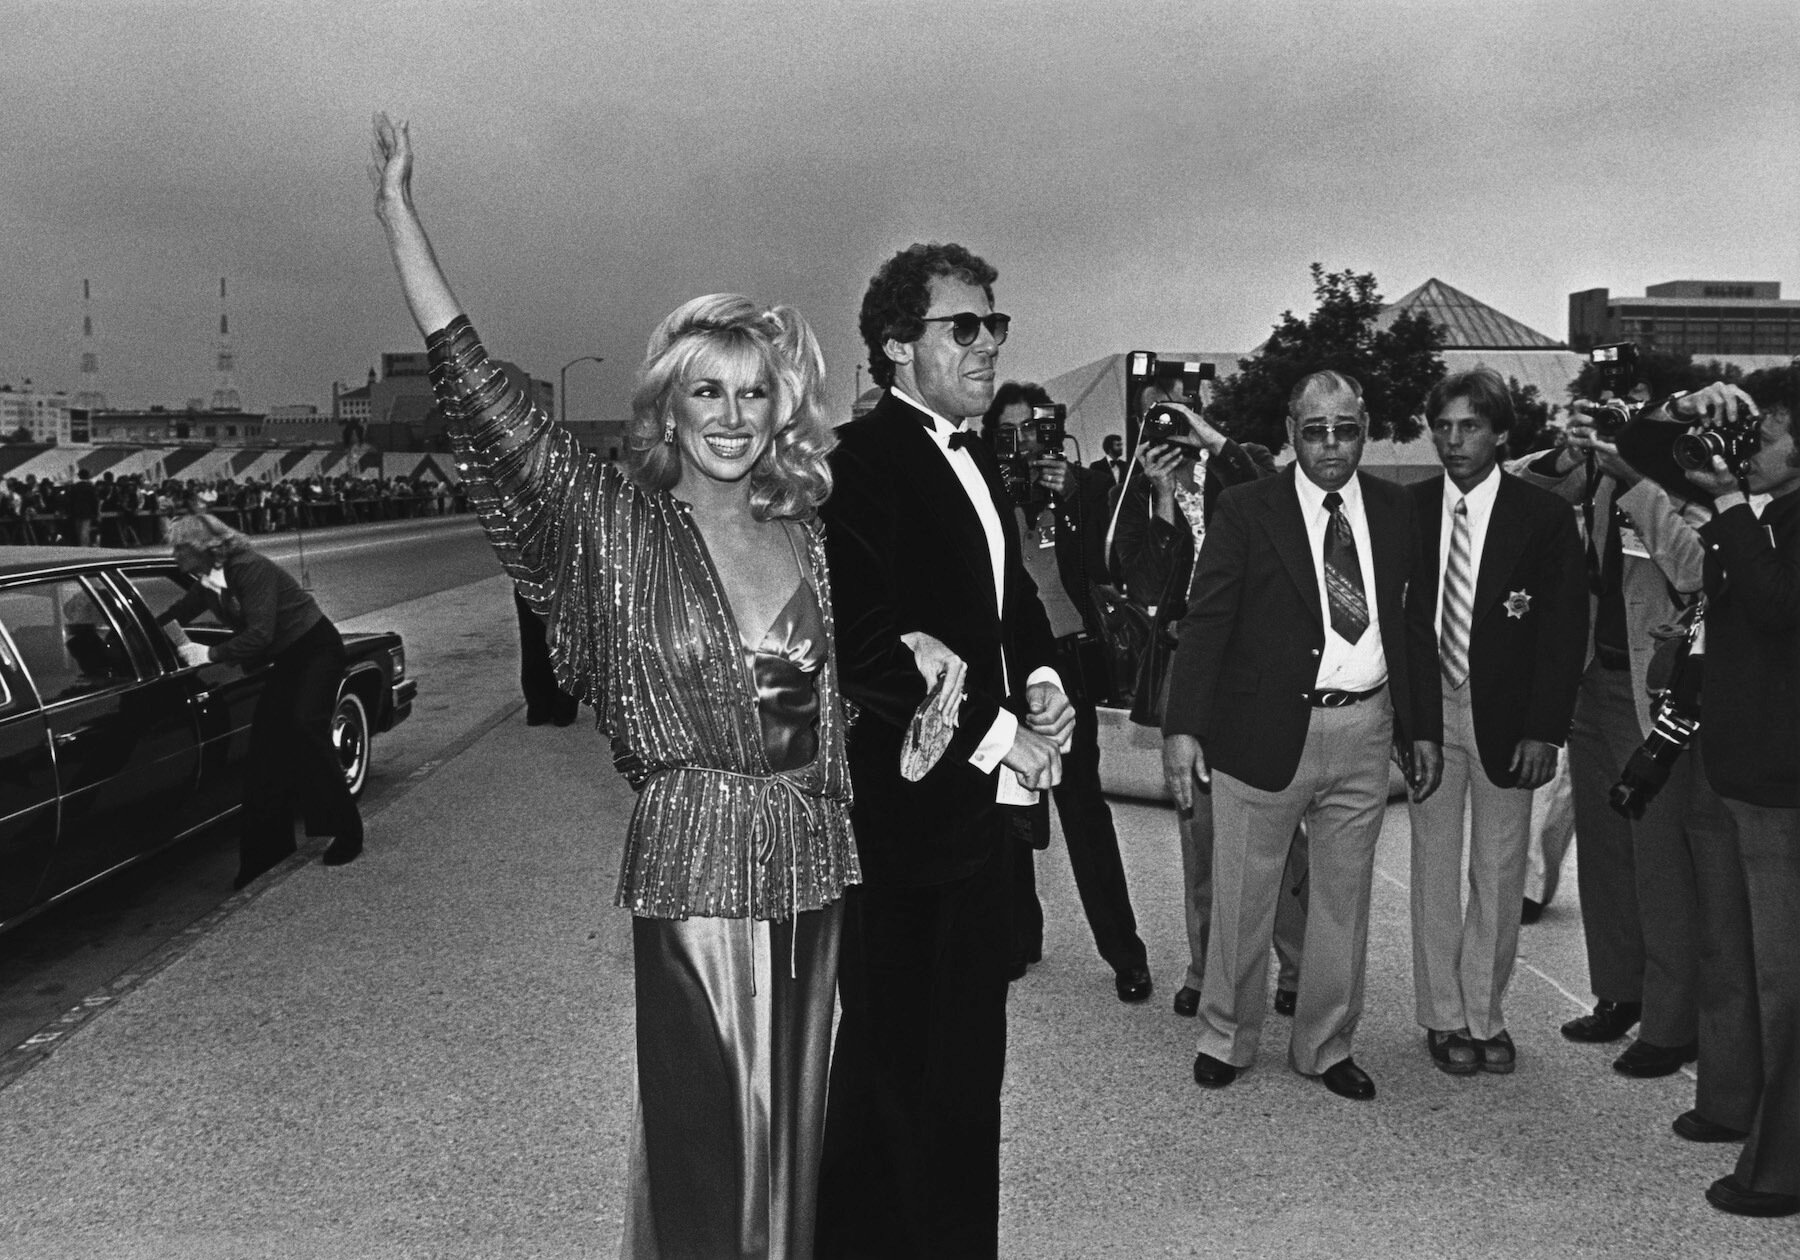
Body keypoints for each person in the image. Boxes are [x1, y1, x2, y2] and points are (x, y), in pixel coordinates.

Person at [370, 115, 958, 1260]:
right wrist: (402, 218)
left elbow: (822, 706)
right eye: (708, 395)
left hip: (815, 864)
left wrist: (920, 665)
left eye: (752, 396)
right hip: (696, 862)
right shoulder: (615, 528)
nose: (733, 419)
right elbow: (490, 408)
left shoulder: (813, 542)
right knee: (712, 1128)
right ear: (669, 409)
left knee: (800, 1121)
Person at [816, 243, 1073, 1259]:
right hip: (901, 832)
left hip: (979, 833)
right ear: (895, 345)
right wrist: (1007, 741)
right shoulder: (859, 465)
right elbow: (869, 653)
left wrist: (1045, 688)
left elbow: (1008, 610)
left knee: (967, 1081)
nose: (986, 343)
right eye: (961, 326)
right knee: (892, 1083)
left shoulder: (976, 456)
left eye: (992, 324)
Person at [1163, 370, 1442, 1102]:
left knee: (1342, 904)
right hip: (1262, 731)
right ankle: (1227, 1034)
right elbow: (1208, 621)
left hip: (1365, 727)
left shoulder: (1394, 509)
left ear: (1365, 428)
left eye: (1344, 429)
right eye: (1314, 429)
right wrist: (1184, 725)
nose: (1329, 445)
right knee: (1244, 899)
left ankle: (1325, 1044)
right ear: (1292, 431)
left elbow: (1412, 625)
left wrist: (1423, 730)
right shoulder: (1246, 508)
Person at [1510, 406, 1716, 1077]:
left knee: (1657, 862)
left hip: (1649, 696)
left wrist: (1637, 484)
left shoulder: (1687, 480)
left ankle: (1669, 1020)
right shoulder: (1601, 473)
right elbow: (1525, 491)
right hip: (1593, 682)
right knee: (1602, 854)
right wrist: (1571, 455)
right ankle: (1619, 990)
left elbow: (1694, 573)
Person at [1405, 368, 1587, 1076]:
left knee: (1501, 870)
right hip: (1431, 714)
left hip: (1509, 719)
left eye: (1470, 427)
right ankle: (1443, 1016)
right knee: (1432, 869)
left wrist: (1546, 729)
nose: (1454, 442)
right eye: (1443, 427)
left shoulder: (1541, 517)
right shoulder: (1407, 511)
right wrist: (1409, 723)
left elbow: (1564, 629)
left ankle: (1486, 1013)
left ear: (1502, 433)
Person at [1109, 381, 1309, 1019]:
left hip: (1252, 673)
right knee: (1200, 835)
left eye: (1175, 415)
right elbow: (1139, 579)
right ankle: (1204, 967)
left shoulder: (1239, 465)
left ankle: (1299, 965)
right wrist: (1162, 499)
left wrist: (1211, 441)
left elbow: (1279, 499)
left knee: (1278, 832)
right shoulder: (1141, 493)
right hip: (1185, 665)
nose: (1165, 430)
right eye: (1151, 421)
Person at [981, 381, 1152, 1002]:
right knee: (1007, 816)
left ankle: (1124, 953)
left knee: (1084, 816)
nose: (1026, 445)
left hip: (1069, 665)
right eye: (1011, 433)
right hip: (1006, 671)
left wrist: (1073, 502)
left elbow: (1106, 567)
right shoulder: (981, 491)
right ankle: (1018, 938)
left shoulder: (1080, 490)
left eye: (1035, 430)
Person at [1674, 376, 1799, 1218]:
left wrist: (1729, 510)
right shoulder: (1770, 510)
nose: (1752, 441)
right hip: (1744, 765)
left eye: (1771, 428)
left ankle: (1780, 1166)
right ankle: (1748, 1114)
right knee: (1750, 966)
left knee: (1788, 982)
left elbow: (1781, 605)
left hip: (1782, 778)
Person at [160, 513, 364, 888]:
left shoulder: (249, 569)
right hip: (286, 658)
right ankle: (266, 854)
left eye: (179, 547)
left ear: (203, 548)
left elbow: (259, 633)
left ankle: (347, 832)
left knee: (306, 729)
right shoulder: (208, 578)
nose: (173, 554)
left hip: (315, 650)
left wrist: (208, 655)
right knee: (266, 750)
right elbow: (177, 614)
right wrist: (145, 630)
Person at [515, 590, 580, 726]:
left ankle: (539, 707)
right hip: (562, 581)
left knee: (532, 640)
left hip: (529, 582)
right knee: (563, 642)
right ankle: (563, 708)